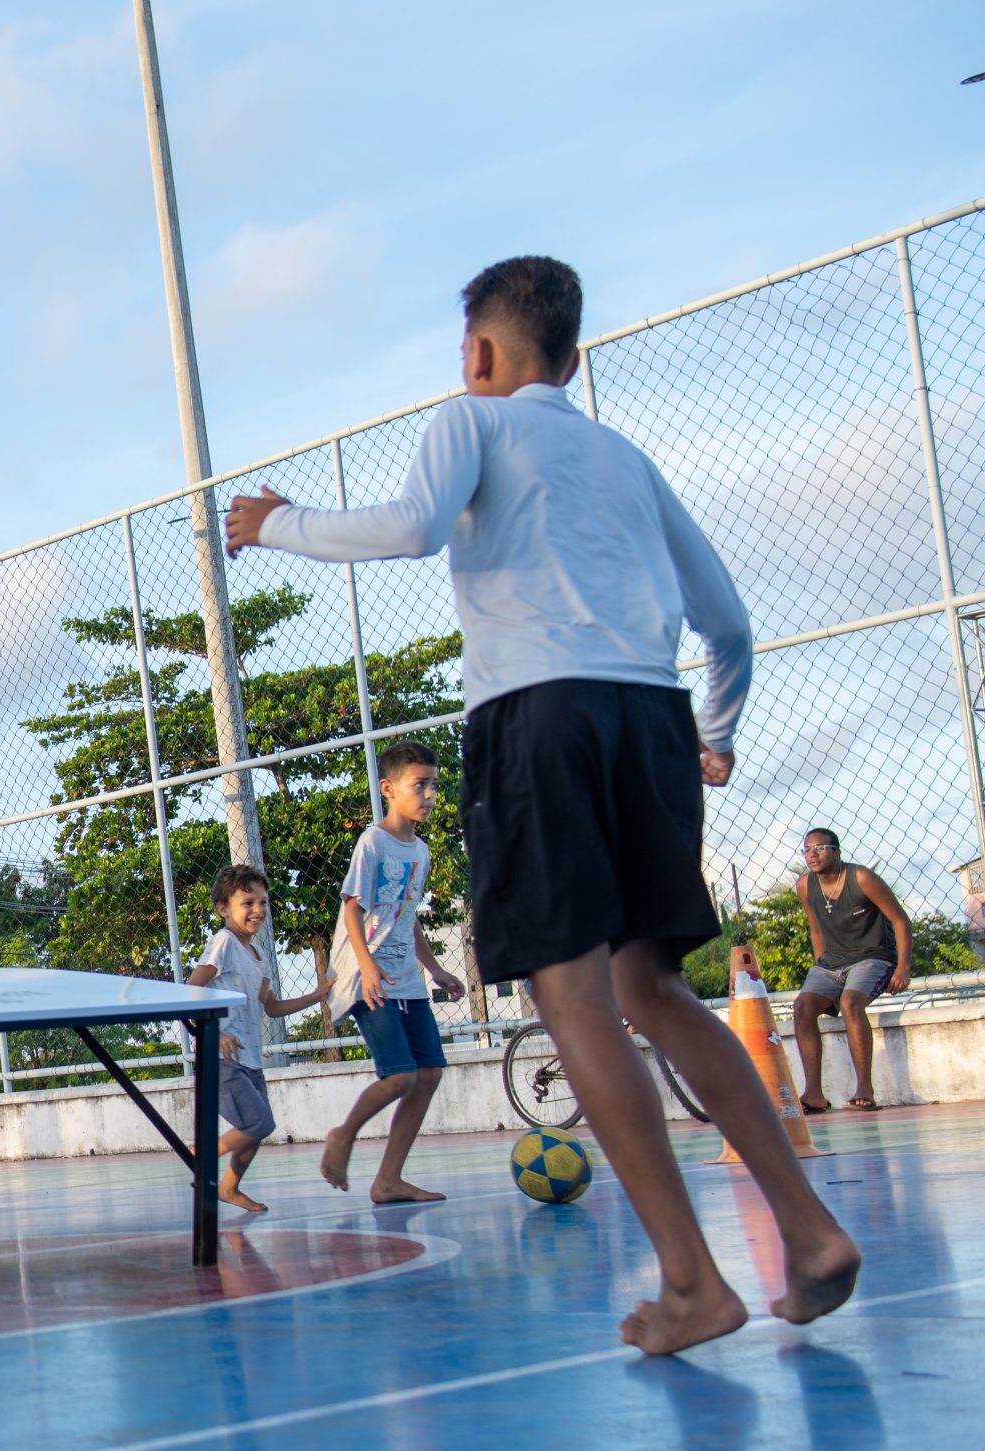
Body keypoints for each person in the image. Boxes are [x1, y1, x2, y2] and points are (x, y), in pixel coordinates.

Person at [226, 256, 859, 1354]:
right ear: (571, 356)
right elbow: (732, 627)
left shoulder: (467, 423)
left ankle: (692, 1280)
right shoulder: (623, 456)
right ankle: (806, 1232)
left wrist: (275, 522)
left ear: (478, 354)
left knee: (573, 998)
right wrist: (710, 734)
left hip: (537, 718)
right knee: (653, 989)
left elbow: (413, 527)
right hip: (651, 720)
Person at [317, 742, 467, 1204]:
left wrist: (437, 969)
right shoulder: (373, 841)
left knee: (429, 1075)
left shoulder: (419, 851)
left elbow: (407, 915)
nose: (429, 795)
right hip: (369, 978)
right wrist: (366, 966)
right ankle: (343, 1135)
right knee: (400, 1076)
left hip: (407, 979)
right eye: (419, 785)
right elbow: (352, 907)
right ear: (389, 789)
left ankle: (388, 1180)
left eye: (434, 786)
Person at [185, 864, 333, 1213]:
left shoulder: (261, 956)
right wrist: (216, 1032)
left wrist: (316, 996)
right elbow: (191, 990)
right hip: (219, 1059)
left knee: (257, 1129)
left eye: (263, 902)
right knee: (259, 1123)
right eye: (247, 903)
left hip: (249, 1057)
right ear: (224, 909)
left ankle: (230, 1187)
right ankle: (199, 1155)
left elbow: (272, 1007)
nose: (257, 910)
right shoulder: (223, 943)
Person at [791, 829, 911, 1113]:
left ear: (836, 851)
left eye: (820, 848)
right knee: (802, 1007)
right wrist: (822, 963)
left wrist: (903, 968)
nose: (813, 854)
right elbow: (815, 928)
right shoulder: (805, 885)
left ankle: (865, 1090)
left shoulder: (861, 878)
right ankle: (814, 1095)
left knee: (850, 1002)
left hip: (873, 957)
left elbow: (901, 921)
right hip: (831, 963)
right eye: (807, 850)